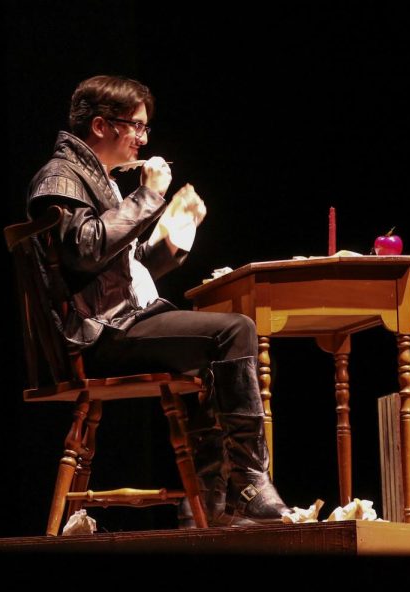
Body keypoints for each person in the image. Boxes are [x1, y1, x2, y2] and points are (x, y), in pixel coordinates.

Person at [25, 74, 291, 526]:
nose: (143, 139)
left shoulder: (101, 180)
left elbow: (121, 269)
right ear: (101, 126)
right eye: (136, 127)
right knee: (235, 330)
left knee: (210, 342)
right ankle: (248, 482)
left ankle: (205, 502)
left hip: (118, 320)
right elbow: (85, 251)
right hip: (96, 335)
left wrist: (173, 234)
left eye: (146, 128)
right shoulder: (59, 176)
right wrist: (148, 196)